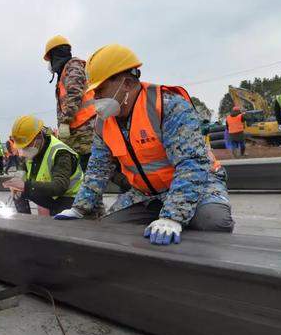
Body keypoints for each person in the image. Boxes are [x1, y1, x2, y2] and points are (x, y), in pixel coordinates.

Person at [54, 44, 234, 246]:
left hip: (200, 183)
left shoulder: (167, 106)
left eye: (101, 90)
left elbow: (191, 164)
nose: (95, 99)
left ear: (128, 84)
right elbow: (97, 170)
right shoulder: (103, 123)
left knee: (214, 222)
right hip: (146, 194)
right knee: (111, 227)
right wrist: (79, 208)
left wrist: (173, 216)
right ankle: (164, 215)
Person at [3, 115, 82, 216]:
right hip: (50, 195)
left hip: (70, 198)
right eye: (22, 147)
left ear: (39, 137)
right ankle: (25, 220)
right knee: (19, 191)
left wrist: (25, 186)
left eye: (27, 146)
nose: (23, 151)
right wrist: (18, 178)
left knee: (27, 189)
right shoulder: (32, 151)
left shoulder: (60, 153)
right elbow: (22, 167)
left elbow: (59, 187)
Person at [44, 35, 96, 172]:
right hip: (76, 130)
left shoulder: (73, 67)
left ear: (55, 56)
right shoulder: (66, 71)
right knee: (78, 168)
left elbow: (74, 94)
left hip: (85, 130)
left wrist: (65, 121)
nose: (49, 65)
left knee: (88, 167)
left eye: (50, 60)